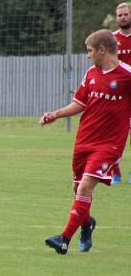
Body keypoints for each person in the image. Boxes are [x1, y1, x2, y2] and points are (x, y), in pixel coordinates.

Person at [40, 29, 131, 255]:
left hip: (109, 146)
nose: (88, 55)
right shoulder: (91, 73)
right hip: (84, 141)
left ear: (102, 50)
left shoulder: (127, 75)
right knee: (77, 189)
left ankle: (63, 239)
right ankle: (87, 223)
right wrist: (56, 114)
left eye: (90, 51)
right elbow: (80, 103)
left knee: (85, 187)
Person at [110, 2, 131, 183]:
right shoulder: (111, 40)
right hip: (118, 95)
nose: (122, 18)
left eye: (125, 14)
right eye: (119, 15)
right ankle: (115, 171)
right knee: (115, 133)